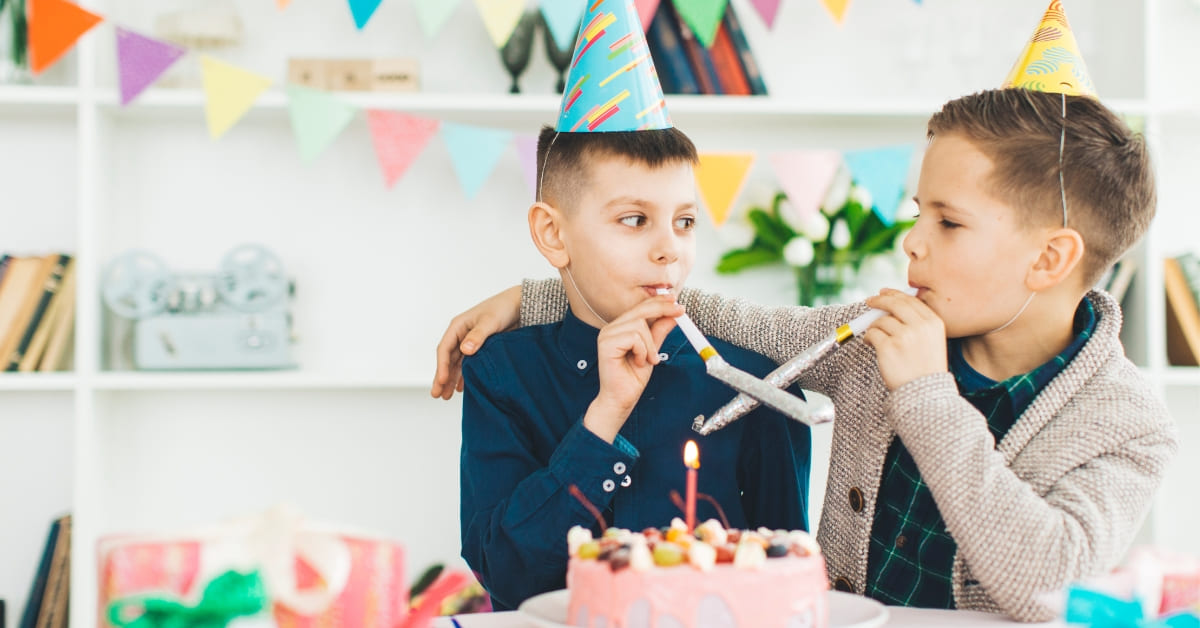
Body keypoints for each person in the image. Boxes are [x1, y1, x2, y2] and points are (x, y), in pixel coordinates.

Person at [434, 86, 1178, 621]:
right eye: (919, 211)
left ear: (1050, 260)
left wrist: (924, 396)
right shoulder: (874, 336)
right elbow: (738, 323)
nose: (911, 240)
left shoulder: (1127, 422)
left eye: (948, 223)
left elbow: (1043, 579)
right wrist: (541, 299)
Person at [457, 0, 812, 612]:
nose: (668, 250)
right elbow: (506, 574)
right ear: (553, 235)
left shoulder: (754, 383)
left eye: (684, 222)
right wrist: (606, 413)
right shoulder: (500, 373)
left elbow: (780, 577)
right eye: (634, 220)